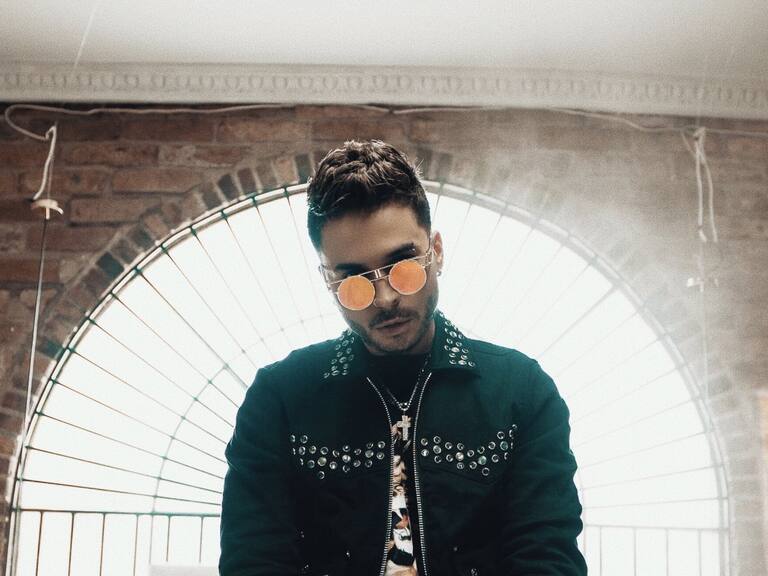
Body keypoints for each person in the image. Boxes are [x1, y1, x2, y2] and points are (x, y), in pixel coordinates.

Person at [219, 140, 587, 576]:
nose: (386, 297)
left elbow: (547, 558)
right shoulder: (280, 398)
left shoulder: (521, 391)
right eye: (354, 280)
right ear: (327, 281)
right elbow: (254, 561)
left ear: (437, 252)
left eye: (403, 266)